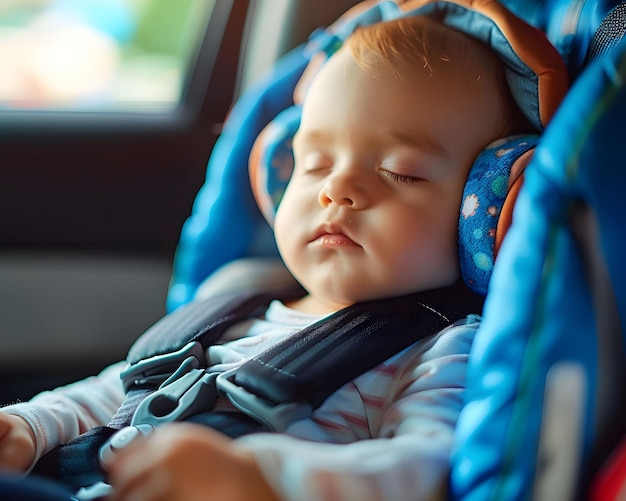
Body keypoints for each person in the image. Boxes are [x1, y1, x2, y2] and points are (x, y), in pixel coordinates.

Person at [0, 12, 533, 501]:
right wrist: (29, 427)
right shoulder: (234, 303)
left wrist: (261, 477)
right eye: (316, 163)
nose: (338, 188)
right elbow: (115, 393)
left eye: (401, 171)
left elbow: (425, 468)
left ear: (484, 208)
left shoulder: (441, 351)